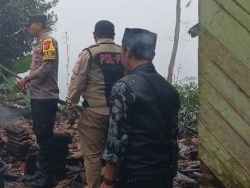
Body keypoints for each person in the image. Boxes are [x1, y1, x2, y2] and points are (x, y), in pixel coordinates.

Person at [101, 28, 180, 188]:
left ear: (127, 52)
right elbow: (172, 135)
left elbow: (116, 139)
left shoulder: (124, 86)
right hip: (164, 175)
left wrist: (108, 180)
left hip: (133, 176)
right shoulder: (170, 90)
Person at [66, 20, 123, 188]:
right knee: (117, 153)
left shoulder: (89, 53)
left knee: (92, 156)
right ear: (113, 35)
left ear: (95, 35)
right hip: (120, 114)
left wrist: (70, 107)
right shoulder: (124, 53)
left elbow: (77, 83)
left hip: (94, 113)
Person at [17, 14, 59, 188]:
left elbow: (47, 67)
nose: (28, 28)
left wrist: (26, 79)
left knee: (45, 136)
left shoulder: (49, 42)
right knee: (40, 135)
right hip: (38, 95)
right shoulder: (40, 43)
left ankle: (48, 177)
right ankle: (42, 173)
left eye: (30, 25)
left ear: (39, 25)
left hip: (46, 97)